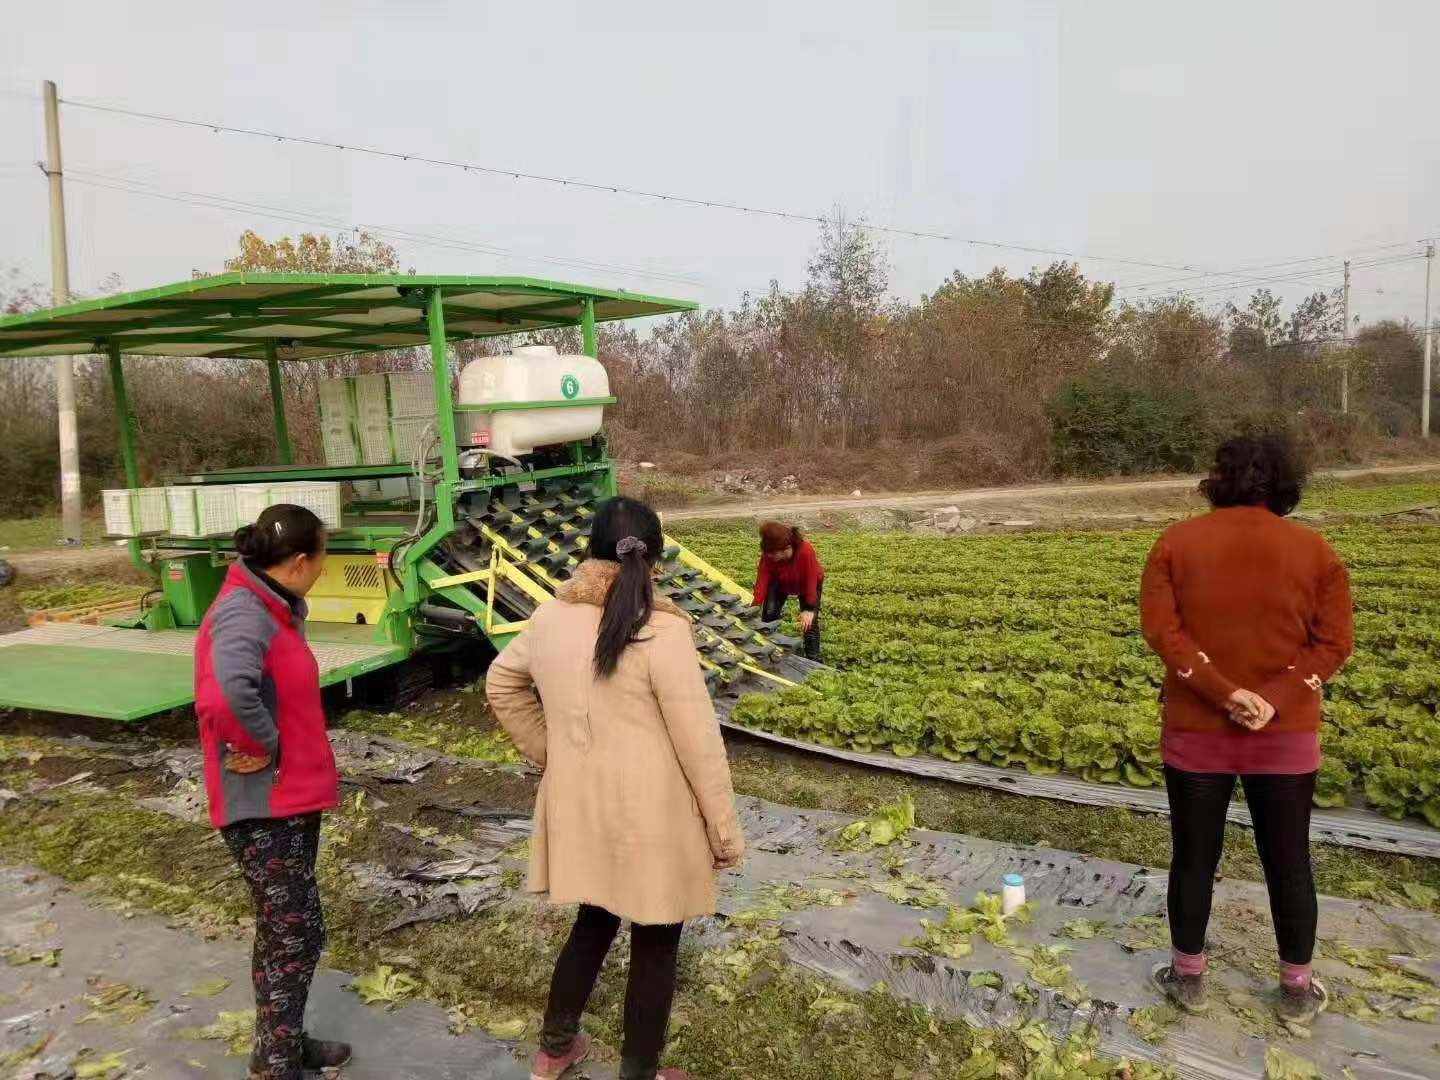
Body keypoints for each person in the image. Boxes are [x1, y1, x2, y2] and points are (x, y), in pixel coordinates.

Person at [486, 496, 744, 1080]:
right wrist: (723, 832)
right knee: (656, 941)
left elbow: (501, 683)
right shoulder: (662, 629)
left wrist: (551, 752)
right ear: (653, 558)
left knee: (593, 921)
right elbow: (699, 744)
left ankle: (554, 1050)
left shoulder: (549, 618)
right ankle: (638, 1072)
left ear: (589, 551)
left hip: (582, 809)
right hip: (653, 820)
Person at [1139, 434, 1353, 1025]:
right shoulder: (1316, 552)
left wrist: (1221, 691)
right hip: (1284, 735)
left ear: (1219, 479)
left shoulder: (1175, 544)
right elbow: (1334, 643)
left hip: (1195, 730)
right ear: (1287, 483)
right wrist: (1273, 698)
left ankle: (1188, 978)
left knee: (1193, 858)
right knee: (1288, 860)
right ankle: (1296, 991)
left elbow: (1163, 631)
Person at [194, 504, 350, 1080]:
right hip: (264, 803)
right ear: (303, 560)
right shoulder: (244, 612)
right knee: (298, 932)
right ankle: (278, 1063)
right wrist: (270, 744)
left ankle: (276, 1044)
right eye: (325, 555)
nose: (325, 566)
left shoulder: (270, 605)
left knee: (281, 927)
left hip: (287, 797)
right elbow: (223, 694)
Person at [753, 521, 825, 661]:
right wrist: (755, 604)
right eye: (767, 554)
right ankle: (769, 650)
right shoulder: (769, 555)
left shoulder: (805, 550)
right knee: (768, 615)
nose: (770, 557)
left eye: (773, 554)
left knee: (809, 624)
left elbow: (811, 579)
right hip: (780, 582)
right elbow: (763, 577)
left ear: (786, 548)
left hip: (807, 584)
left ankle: (813, 658)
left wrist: (809, 609)